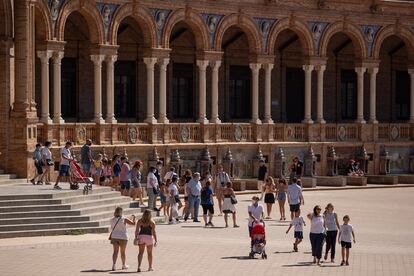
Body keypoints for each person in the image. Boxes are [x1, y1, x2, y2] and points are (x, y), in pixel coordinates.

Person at [109, 207, 136, 271]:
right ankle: (123, 265)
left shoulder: (111, 219)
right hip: (123, 237)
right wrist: (134, 218)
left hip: (114, 236)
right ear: (121, 212)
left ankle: (114, 265)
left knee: (115, 251)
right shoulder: (124, 219)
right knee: (122, 252)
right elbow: (133, 224)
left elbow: (112, 228)